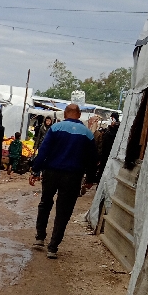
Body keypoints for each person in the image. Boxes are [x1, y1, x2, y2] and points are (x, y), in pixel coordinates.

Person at [29, 103, 97, 259]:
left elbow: (43, 151)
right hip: (73, 176)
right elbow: (92, 159)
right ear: (79, 115)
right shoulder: (87, 134)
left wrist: (35, 170)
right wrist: (90, 179)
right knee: (63, 210)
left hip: (51, 172)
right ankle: (53, 247)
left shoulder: (55, 128)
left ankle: (40, 238)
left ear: (65, 114)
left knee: (45, 203)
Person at [95, 114, 120, 183]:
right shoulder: (110, 129)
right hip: (106, 150)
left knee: (104, 165)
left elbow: (112, 135)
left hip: (108, 151)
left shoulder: (116, 128)